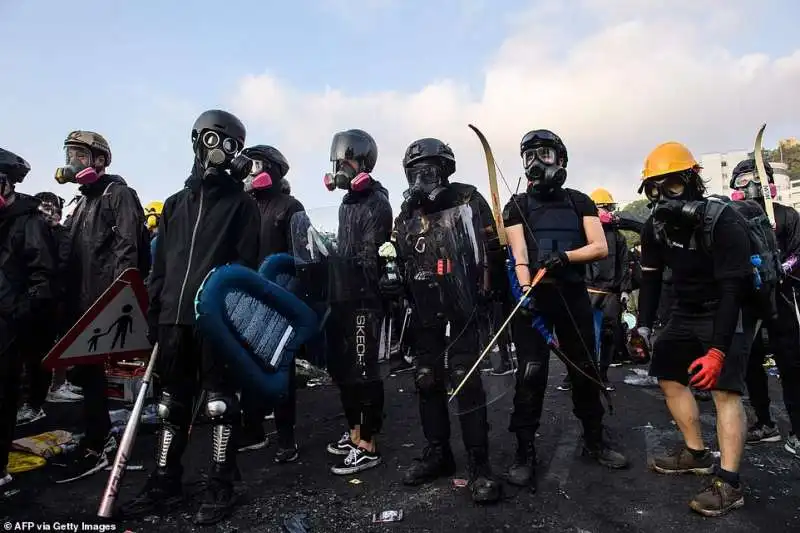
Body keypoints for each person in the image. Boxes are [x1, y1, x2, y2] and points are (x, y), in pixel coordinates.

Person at [121, 110, 261, 525]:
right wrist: (155, 310)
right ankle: (165, 480)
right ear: (200, 141)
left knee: (219, 403)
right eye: (219, 140)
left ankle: (221, 482)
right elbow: (159, 264)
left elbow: (245, 268)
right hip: (173, 321)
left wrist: (232, 317)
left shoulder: (242, 205)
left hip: (214, 320)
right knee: (169, 406)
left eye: (234, 144)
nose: (226, 151)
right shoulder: (176, 204)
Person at [634, 141, 756, 517]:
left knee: (724, 392)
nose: (662, 197)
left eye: (672, 186)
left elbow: (735, 287)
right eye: (654, 189)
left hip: (728, 306)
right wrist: (641, 326)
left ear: (692, 181)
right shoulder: (654, 227)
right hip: (685, 309)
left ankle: (729, 483)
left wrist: (718, 350)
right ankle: (697, 453)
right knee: (668, 376)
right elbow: (651, 280)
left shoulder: (722, 221)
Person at [503, 129, 628, 490]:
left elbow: (599, 247)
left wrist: (565, 257)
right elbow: (520, 256)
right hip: (535, 303)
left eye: (545, 153)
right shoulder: (518, 206)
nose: (536, 162)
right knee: (530, 374)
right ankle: (524, 450)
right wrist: (525, 292)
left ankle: (594, 439)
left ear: (561, 159)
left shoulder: (579, 201)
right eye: (529, 156)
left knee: (585, 367)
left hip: (572, 295)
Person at [382, 137, 502, 503]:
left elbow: (490, 246)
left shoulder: (468, 197)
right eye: (415, 171)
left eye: (430, 169)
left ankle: (480, 466)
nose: (422, 177)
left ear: (446, 169)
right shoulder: (406, 210)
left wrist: (488, 288)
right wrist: (393, 280)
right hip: (424, 306)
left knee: (467, 380)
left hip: (462, 303)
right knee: (426, 378)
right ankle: (438, 453)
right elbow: (401, 251)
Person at [55, 131, 150, 483]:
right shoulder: (79, 203)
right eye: (70, 154)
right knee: (85, 375)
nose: (72, 161)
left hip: (104, 301)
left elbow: (128, 248)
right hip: (80, 303)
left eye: (79, 154)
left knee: (92, 376)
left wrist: (115, 298)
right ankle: (97, 436)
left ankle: (99, 444)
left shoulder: (117, 194)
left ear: (99, 160)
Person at [321, 129, 392, 475]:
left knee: (364, 370)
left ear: (362, 162)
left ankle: (368, 442)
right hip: (343, 295)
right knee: (344, 369)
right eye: (336, 162)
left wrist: (347, 267)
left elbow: (369, 255)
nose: (339, 168)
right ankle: (353, 432)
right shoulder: (347, 203)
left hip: (364, 297)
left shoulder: (378, 202)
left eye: (344, 161)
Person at [237, 144, 304, 464]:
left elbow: (301, 259)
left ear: (274, 170)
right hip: (247, 298)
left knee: (281, 371)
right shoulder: (244, 207)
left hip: (279, 300)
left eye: (256, 165)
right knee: (247, 367)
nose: (250, 171)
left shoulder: (291, 206)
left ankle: (287, 438)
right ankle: (252, 430)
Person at [731, 158, 800, 455]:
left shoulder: (787, 216)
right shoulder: (732, 220)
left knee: (791, 364)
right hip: (749, 302)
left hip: (782, 299)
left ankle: (798, 429)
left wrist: (781, 268)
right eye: (741, 182)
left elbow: (799, 252)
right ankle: (764, 422)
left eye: (753, 179)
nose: (748, 187)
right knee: (750, 363)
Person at [0, 148, 57, 497]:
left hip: (8, 323)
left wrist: (20, 313)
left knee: (3, 393)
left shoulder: (29, 220)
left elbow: (42, 275)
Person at [16, 192, 71, 425]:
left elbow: (61, 265)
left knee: (39, 354)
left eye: (52, 208)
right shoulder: (26, 227)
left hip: (47, 302)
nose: (48, 213)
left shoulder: (61, 235)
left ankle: (35, 401)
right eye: (44, 208)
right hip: (22, 300)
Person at [585, 188, 631, 391]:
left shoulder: (619, 237)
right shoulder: (583, 233)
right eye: (599, 207)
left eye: (606, 207)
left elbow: (623, 264)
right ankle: (579, 375)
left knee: (608, 334)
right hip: (588, 290)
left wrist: (624, 290)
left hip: (610, 292)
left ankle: (603, 375)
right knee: (583, 335)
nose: (603, 211)